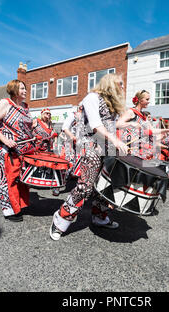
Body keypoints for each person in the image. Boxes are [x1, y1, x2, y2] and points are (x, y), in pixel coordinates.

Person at [49, 73, 128, 241]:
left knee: (105, 185)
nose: (123, 87)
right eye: (120, 84)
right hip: (90, 145)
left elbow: (111, 126)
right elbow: (95, 125)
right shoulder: (92, 97)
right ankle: (61, 219)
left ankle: (99, 217)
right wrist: (115, 140)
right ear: (110, 84)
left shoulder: (111, 105)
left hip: (107, 147)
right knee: (85, 186)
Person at [0, 80, 36, 222]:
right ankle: (9, 210)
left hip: (24, 149)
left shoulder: (25, 107)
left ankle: (19, 204)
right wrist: (5, 139)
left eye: (25, 88)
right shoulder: (5, 103)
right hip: (6, 149)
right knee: (7, 179)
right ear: (14, 90)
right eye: (22, 88)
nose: (25, 91)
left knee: (22, 179)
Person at [31, 108, 59, 196]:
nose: (48, 115)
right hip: (37, 147)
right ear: (42, 114)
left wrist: (55, 141)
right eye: (47, 113)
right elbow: (28, 130)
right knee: (33, 164)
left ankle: (54, 186)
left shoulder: (50, 124)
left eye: (49, 114)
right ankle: (28, 182)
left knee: (51, 165)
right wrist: (34, 136)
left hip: (48, 148)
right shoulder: (36, 121)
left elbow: (54, 134)